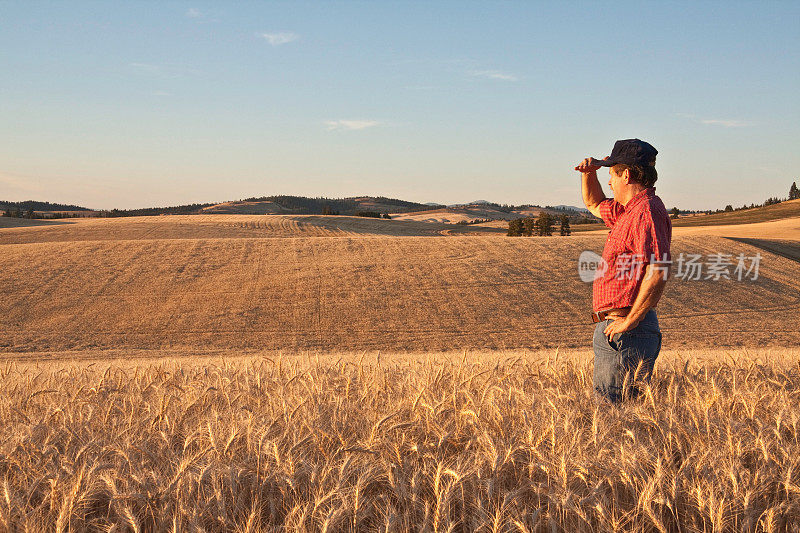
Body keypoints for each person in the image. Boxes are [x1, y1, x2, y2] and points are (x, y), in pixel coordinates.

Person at [574, 139, 672, 403]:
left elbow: (659, 269)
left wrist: (630, 321)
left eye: (611, 175)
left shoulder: (646, 212)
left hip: (628, 330)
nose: (609, 183)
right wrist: (589, 174)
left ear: (626, 175)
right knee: (619, 419)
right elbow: (594, 204)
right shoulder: (628, 212)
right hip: (621, 330)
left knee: (613, 419)